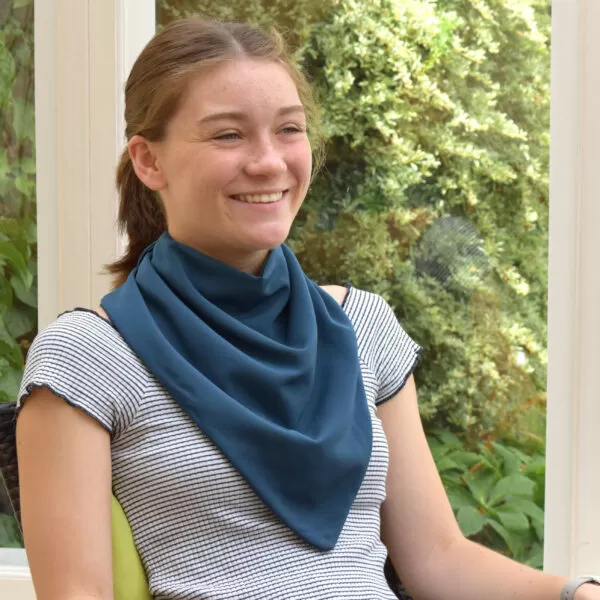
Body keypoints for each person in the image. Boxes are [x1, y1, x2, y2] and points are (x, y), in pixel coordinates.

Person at [14, 17, 600, 600]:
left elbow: (438, 561)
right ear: (149, 161)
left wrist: (577, 592)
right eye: (228, 135)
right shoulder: (89, 356)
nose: (269, 161)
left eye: (289, 129)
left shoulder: (366, 327)